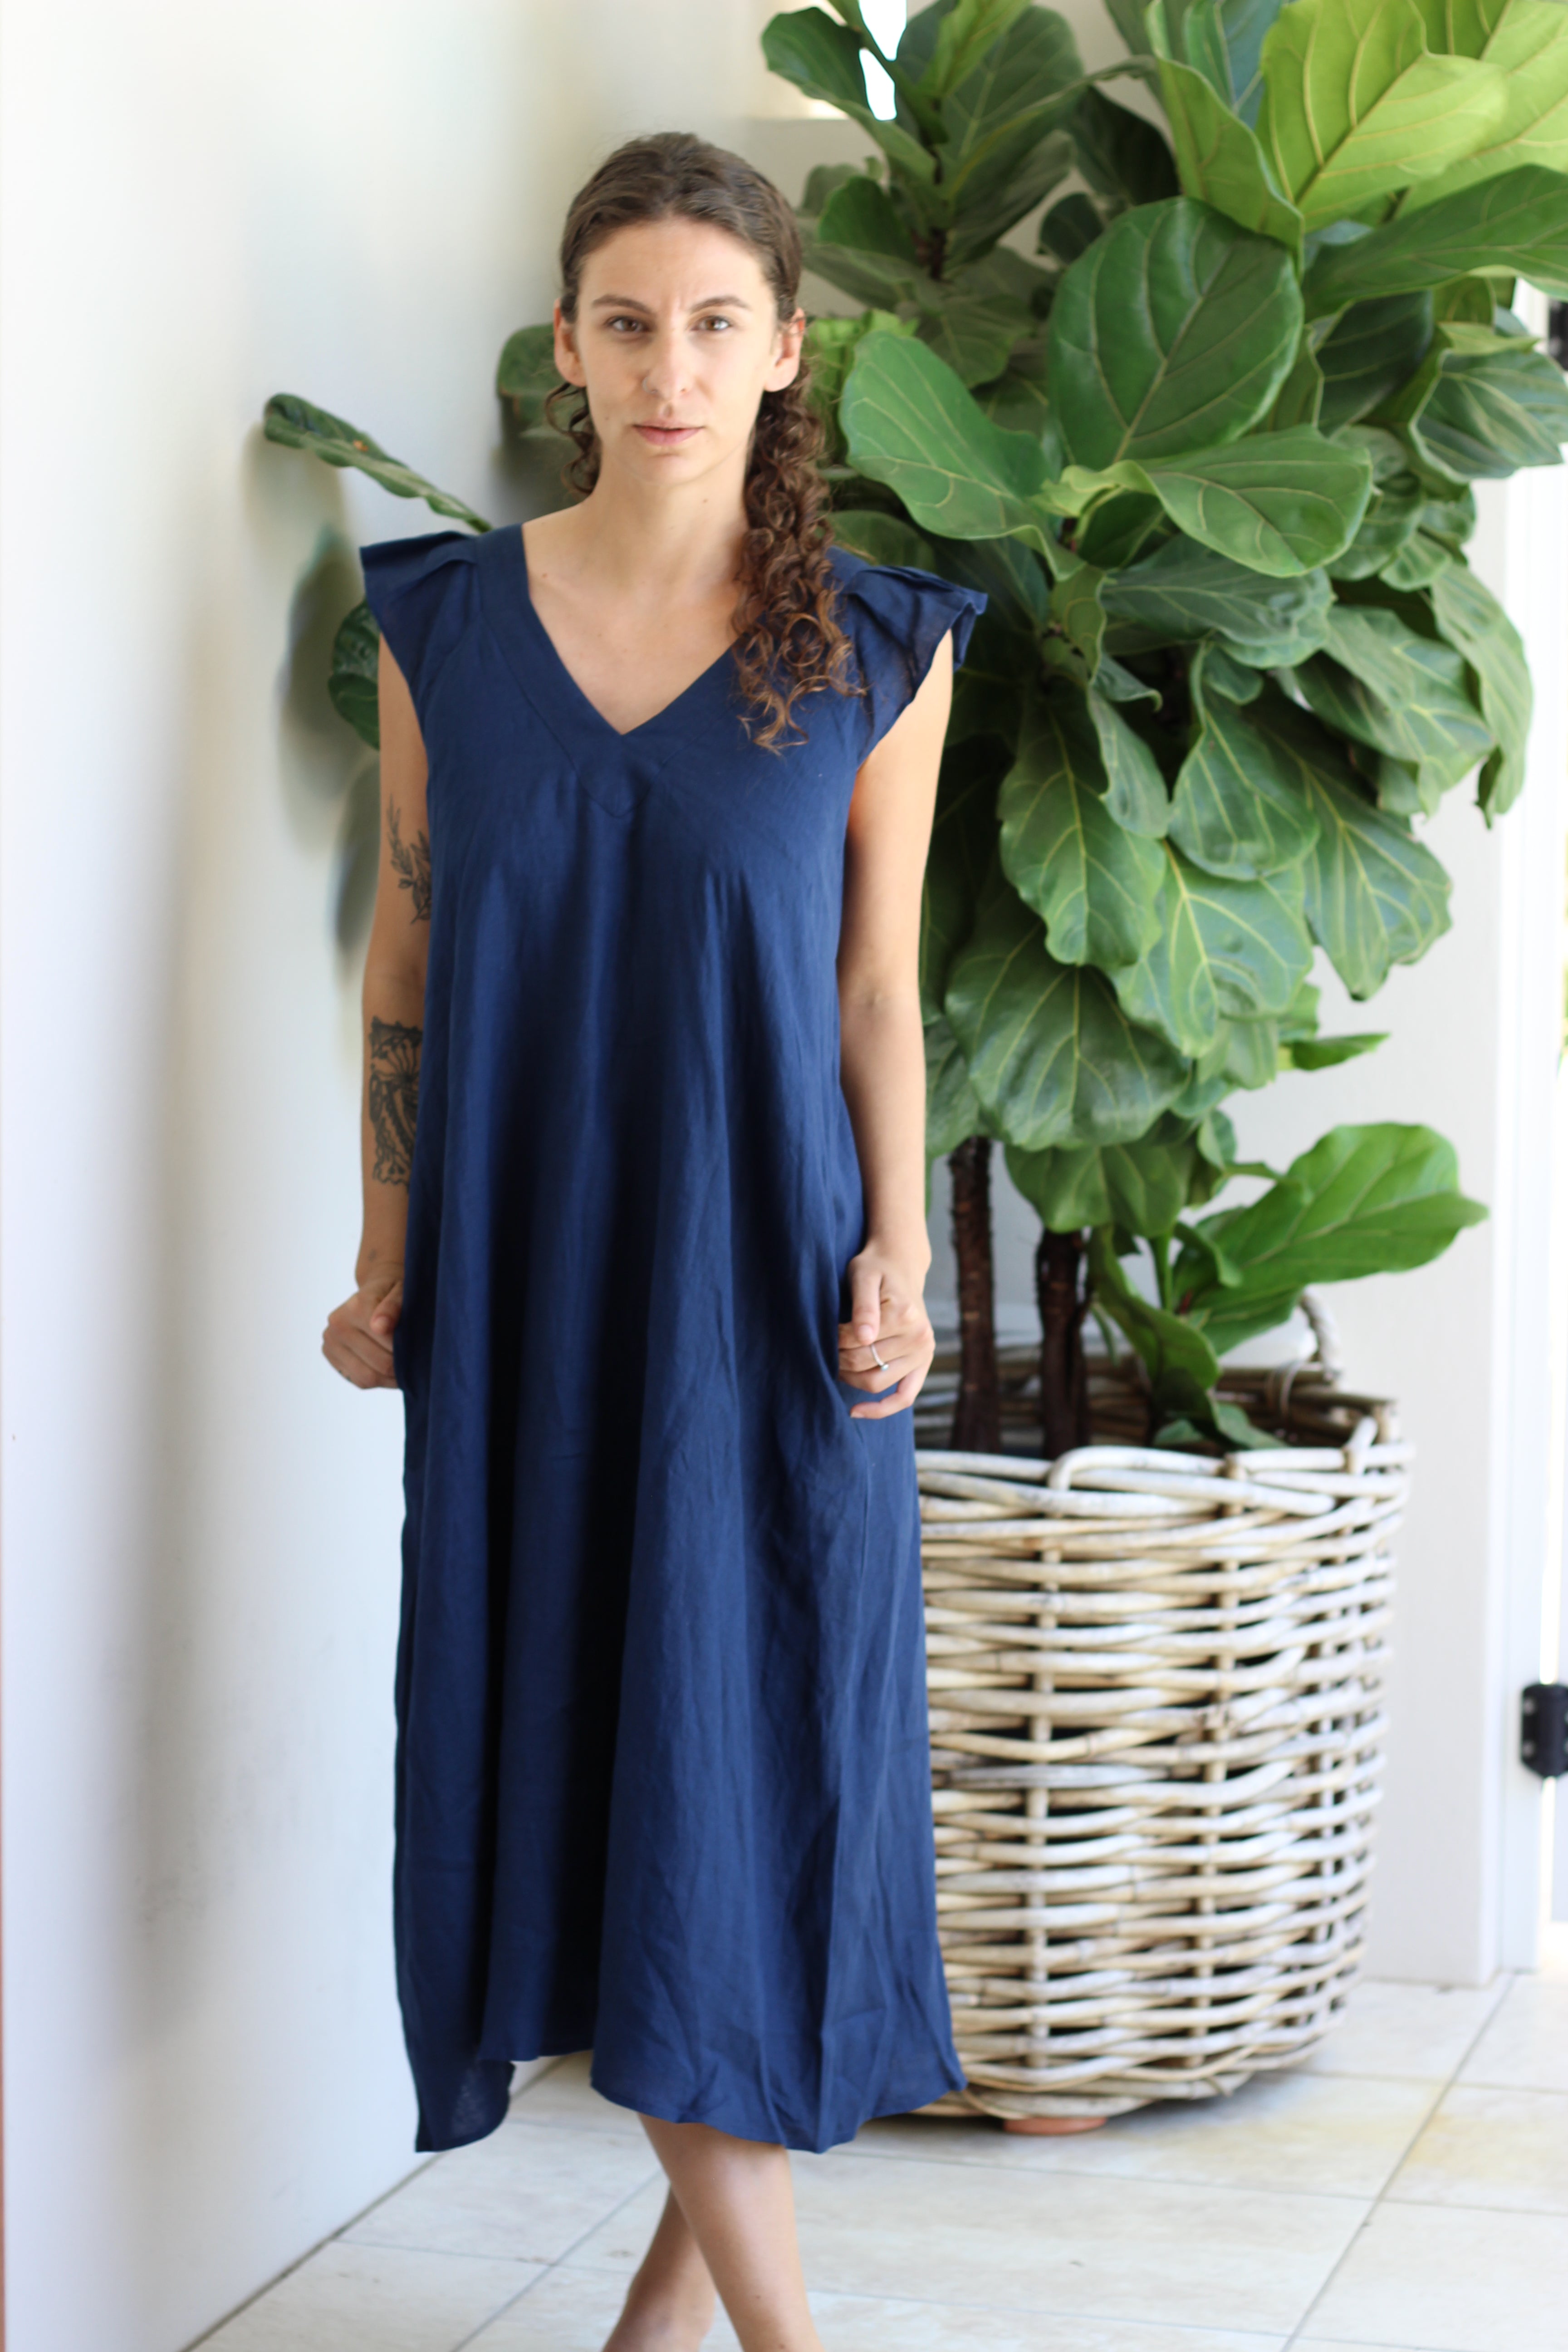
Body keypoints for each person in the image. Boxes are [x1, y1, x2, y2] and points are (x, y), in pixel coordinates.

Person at [321, 130, 985, 2352]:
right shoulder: (442, 625)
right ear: (569, 348)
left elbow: (876, 992)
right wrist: (383, 1254)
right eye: (628, 324)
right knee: (607, 1776)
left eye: (715, 325)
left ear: (788, 352)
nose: (668, 369)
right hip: (524, 1288)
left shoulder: (881, 651)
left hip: (772, 1299)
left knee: (743, 1787)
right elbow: (408, 957)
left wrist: (901, 1258)